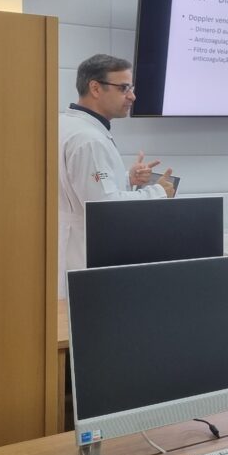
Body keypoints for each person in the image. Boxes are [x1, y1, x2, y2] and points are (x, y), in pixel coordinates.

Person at [58, 54, 175, 296]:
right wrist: (158, 192)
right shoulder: (89, 139)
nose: (132, 96)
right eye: (123, 88)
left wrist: (126, 179)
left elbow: (79, 185)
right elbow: (103, 206)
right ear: (95, 88)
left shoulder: (66, 124)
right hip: (82, 253)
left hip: (69, 247)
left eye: (131, 88)